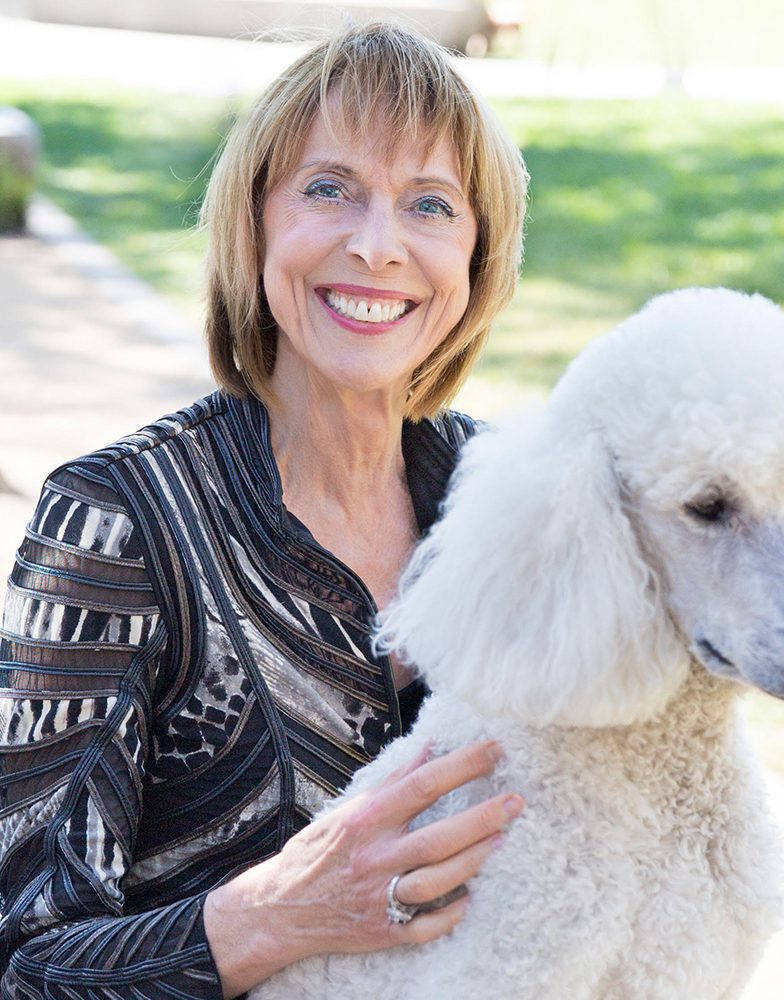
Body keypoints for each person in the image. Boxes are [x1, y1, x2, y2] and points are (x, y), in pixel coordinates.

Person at [0, 21, 529, 999]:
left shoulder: (516, 503)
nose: (377, 247)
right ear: (253, 225)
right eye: (328, 189)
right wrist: (278, 913)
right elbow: (23, 961)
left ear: (476, 255)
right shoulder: (121, 520)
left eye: (429, 204)